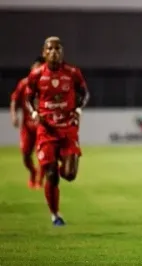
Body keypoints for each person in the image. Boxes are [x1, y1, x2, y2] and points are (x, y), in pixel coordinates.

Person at [26, 37, 90, 226]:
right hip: (46, 131)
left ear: (62, 52)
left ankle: (59, 164)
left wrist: (78, 109)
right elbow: (29, 98)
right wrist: (35, 112)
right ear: (44, 52)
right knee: (52, 175)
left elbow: (85, 94)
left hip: (68, 128)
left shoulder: (72, 73)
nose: (54, 52)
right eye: (50, 49)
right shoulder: (36, 75)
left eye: (57, 48)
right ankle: (55, 214)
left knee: (69, 175)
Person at [10, 56, 45, 189]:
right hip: (27, 127)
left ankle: (40, 181)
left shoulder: (46, 85)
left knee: (43, 155)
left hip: (42, 126)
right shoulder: (24, 84)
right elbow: (14, 99)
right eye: (34, 68)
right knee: (25, 155)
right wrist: (14, 115)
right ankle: (33, 172)